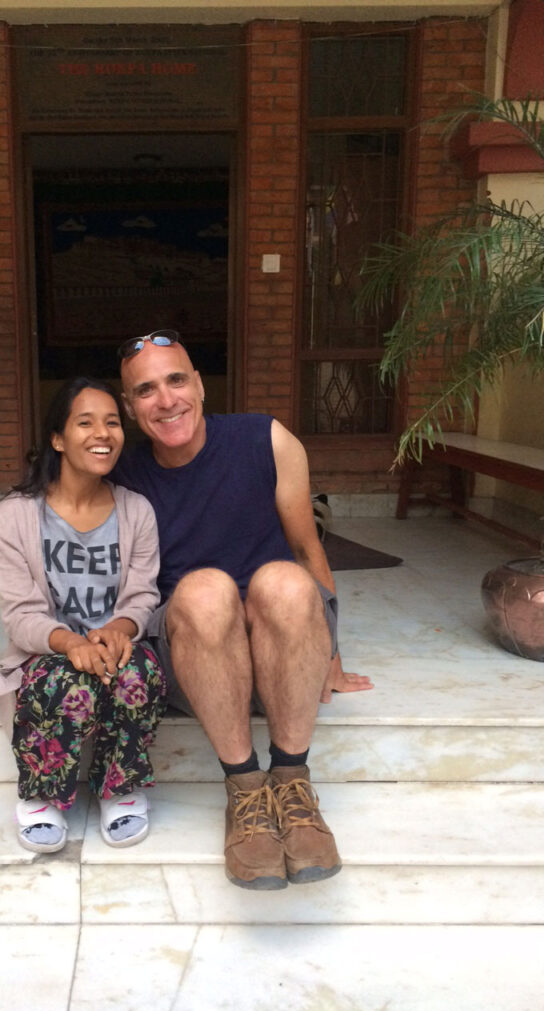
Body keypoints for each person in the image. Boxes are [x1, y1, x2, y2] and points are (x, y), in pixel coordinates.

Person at [111, 329, 373, 890]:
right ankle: (246, 794)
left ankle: (293, 785)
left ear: (201, 386)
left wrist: (332, 650)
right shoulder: (122, 472)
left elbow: (309, 548)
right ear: (131, 409)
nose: (166, 400)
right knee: (206, 589)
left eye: (177, 380)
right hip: (196, 658)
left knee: (281, 578)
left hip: (282, 649)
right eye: (146, 391)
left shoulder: (266, 439)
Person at [0, 377, 166, 855]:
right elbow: (21, 616)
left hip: (114, 647)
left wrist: (120, 628)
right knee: (63, 681)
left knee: (138, 672)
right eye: (85, 422)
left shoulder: (137, 511)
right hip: (47, 653)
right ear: (58, 438)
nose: (102, 433)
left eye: (112, 421)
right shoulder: (14, 516)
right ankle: (42, 796)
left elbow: (143, 594)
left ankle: (119, 788)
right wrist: (72, 643)